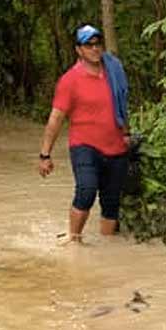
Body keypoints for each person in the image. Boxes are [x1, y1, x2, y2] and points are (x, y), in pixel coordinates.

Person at [37, 24, 130, 241]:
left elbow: (121, 106)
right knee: (86, 191)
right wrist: (45, 154)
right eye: (89, 45)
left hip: (116, 145)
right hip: (85, 146)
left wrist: (126, 133)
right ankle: (74, 239)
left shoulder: (113, 71)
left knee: (111, 201)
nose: (95, 49)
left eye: (98, 44)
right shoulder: (70, 80)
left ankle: (107, 247)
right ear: (79, 50)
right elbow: (56, 118)